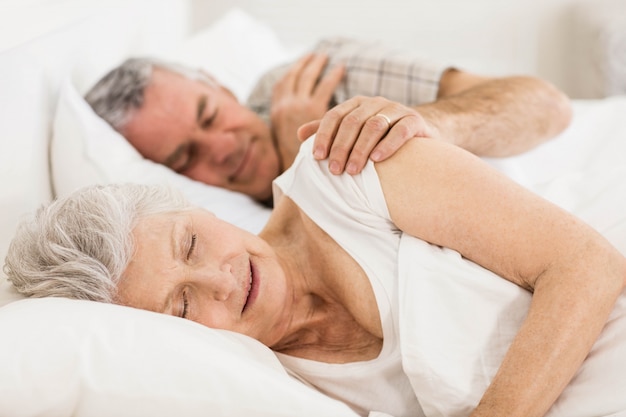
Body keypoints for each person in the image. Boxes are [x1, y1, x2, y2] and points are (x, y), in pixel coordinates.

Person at [5, 113, 626, 417]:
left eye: (192, 245)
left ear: (197, 209)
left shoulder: (346, 169)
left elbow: (586, 263)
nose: (223, 280)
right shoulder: (259, 387)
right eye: (184, 307)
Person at [85, 37, 572, 204]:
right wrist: (303, 166)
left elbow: (547, 107)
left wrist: (413, 127)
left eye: (211, 115)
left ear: (221, 87)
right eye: (185, 156)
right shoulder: (207, 226)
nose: (223, 147)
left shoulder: (321, 74)